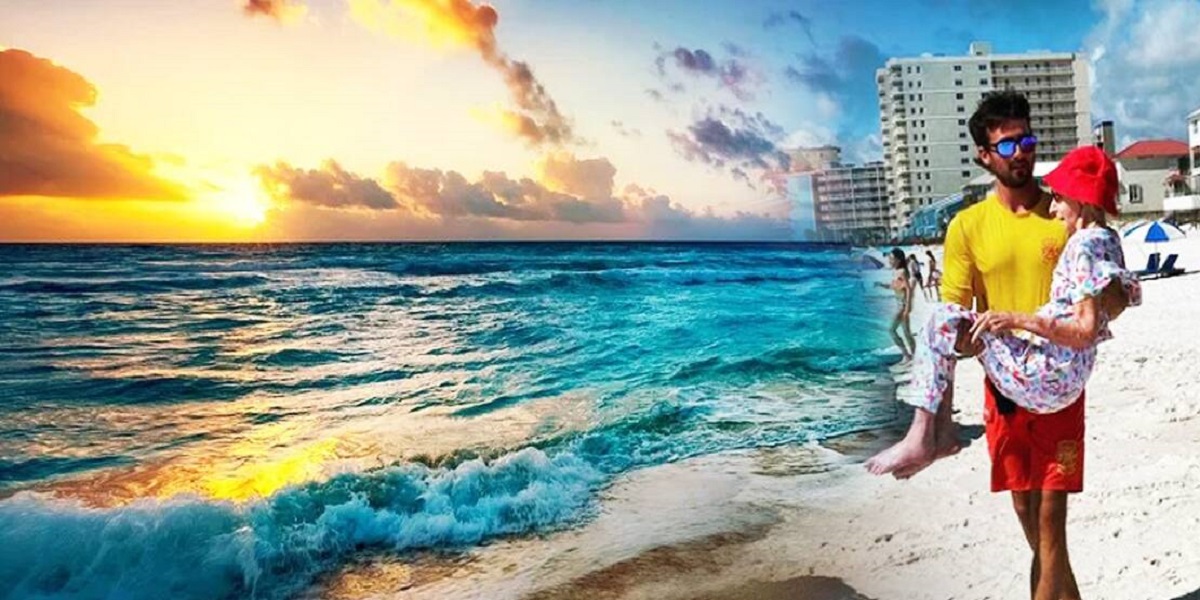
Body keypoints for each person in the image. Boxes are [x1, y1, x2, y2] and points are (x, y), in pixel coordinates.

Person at [871, 92, 1130, 600]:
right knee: (1025, 513)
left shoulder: (1064, 214)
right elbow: (956, 318)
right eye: (1009, 144)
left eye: (1028, 140)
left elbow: (1111, 298)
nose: (1023, 152)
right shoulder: (968, 226)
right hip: (1005, 387)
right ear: (984, 156)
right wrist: (972, 342)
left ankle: (929, 434)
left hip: (1059, 381)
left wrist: (1099, 303)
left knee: (1052, 518)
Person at [867, 145, 1138, 471]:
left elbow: (1084, 331)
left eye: (1058, 198)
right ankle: (939, 436)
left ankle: (924, 438)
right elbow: (1119, 302)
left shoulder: (1082, 245)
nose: (1053, 209)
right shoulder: (1108, 240)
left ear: (1080, 198)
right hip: (1068, 376)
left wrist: (1014, 319)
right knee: (953, 327)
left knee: (942, 320)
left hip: (1046, 374)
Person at [875, 247, 917, 362]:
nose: (889, 260)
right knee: (906, 332)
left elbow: (908, 289)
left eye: (892, 258)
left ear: (898, 259)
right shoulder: (895, 272)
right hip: (899, 304)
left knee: (891, 330)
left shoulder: (902, 271)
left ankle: (907, 355)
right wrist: (880, 285)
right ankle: (913, 356)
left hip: (902, 305)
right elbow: (895, 286)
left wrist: (907, 307)